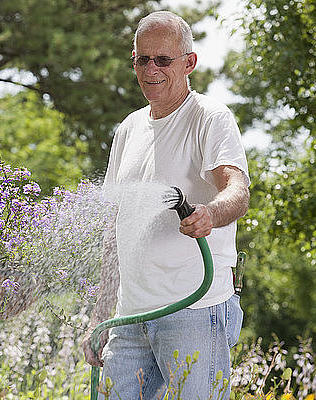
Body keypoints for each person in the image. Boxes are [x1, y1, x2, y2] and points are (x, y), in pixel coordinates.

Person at [81, 10, 250, 400]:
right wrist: (102, 314)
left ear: (189, 62)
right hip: (130, 316)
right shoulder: (128, 130)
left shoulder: (209, 117)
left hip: (193, 308)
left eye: (163, 60)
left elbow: (237, 190)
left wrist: (210, 214)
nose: (151, 69)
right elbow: (114, 231)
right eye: (142, 59)